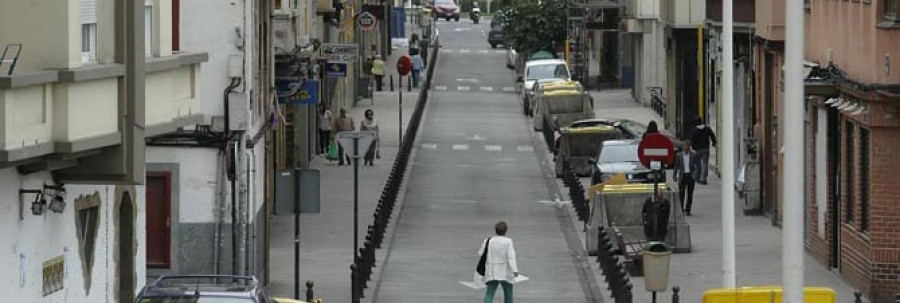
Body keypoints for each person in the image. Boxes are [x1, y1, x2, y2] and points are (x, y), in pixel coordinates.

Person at [478, 221, 518, 303]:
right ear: (506, 230)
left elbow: (480, 253)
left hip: (492, 270)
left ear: (495, 230)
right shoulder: (508, 241)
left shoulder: (488, 240)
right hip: (505, 271)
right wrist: (515, 270)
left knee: (489, 293)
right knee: (508, 294)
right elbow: (511, 257)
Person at [674, 140, 701, 215]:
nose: (685, 147)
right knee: (681, 194)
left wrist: (695, 175)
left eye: (687, 146)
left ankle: (688, 210)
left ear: (689, 147)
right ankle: (681, 209)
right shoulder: (679, 155)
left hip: (690, 176)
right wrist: (674, 175)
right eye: (684, 146)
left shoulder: (693, 155)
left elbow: (697, 166)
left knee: (690, 194)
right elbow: (676, 166)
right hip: (682, 176)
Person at [689, 116, 717, 184]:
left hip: (698, 149)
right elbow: (712, 135)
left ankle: (697, 177)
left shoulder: (694, 130)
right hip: (706, 148)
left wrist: (693, 148)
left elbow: (692, 140)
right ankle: (703, 179)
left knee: (698, 164)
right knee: (705, 163)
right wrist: (714, 142)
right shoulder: (707, 128)